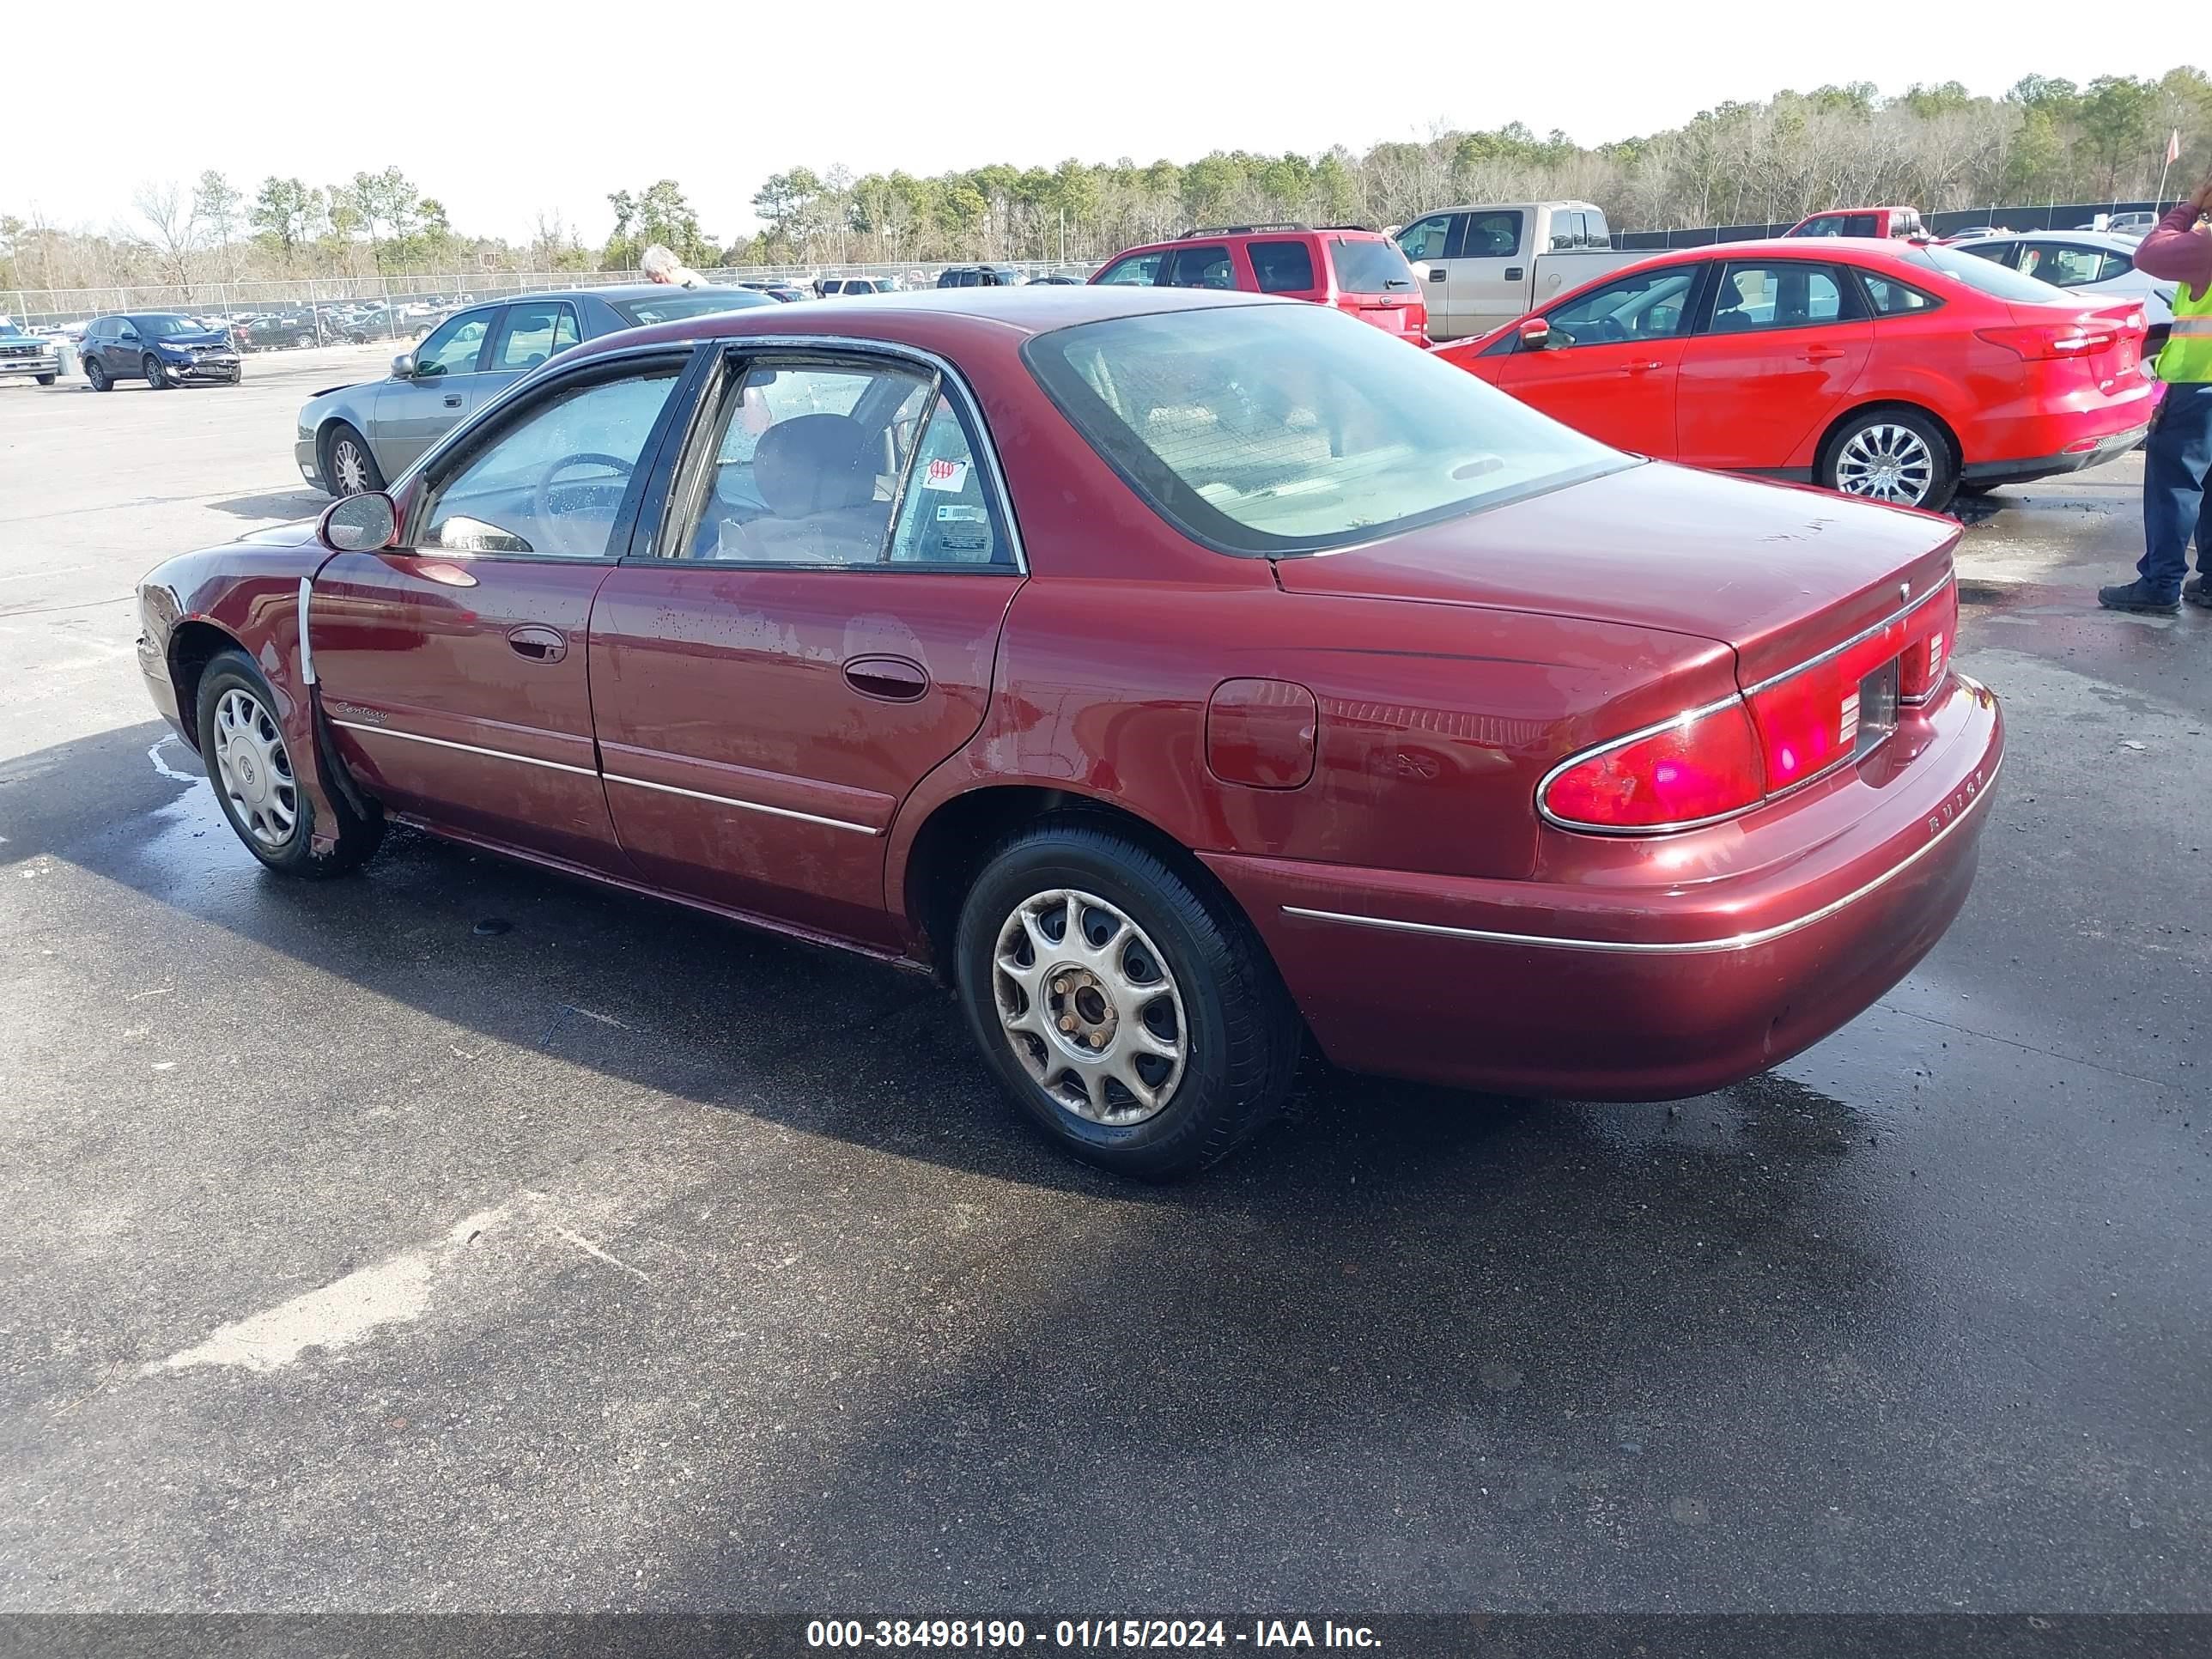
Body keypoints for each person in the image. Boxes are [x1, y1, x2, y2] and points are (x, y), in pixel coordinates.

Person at [2099, 173, 2212, 613]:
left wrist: (2188, 208)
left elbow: (2150, 253)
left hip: (2198, 385)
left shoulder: (2205, 244)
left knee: (2175, 488)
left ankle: (2160, 584)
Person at [640, 244, 708, 289]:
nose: (660, 285)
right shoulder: (674, 287)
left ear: (669, 267)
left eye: (661, 280)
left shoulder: (688, 285)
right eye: (656, 282)